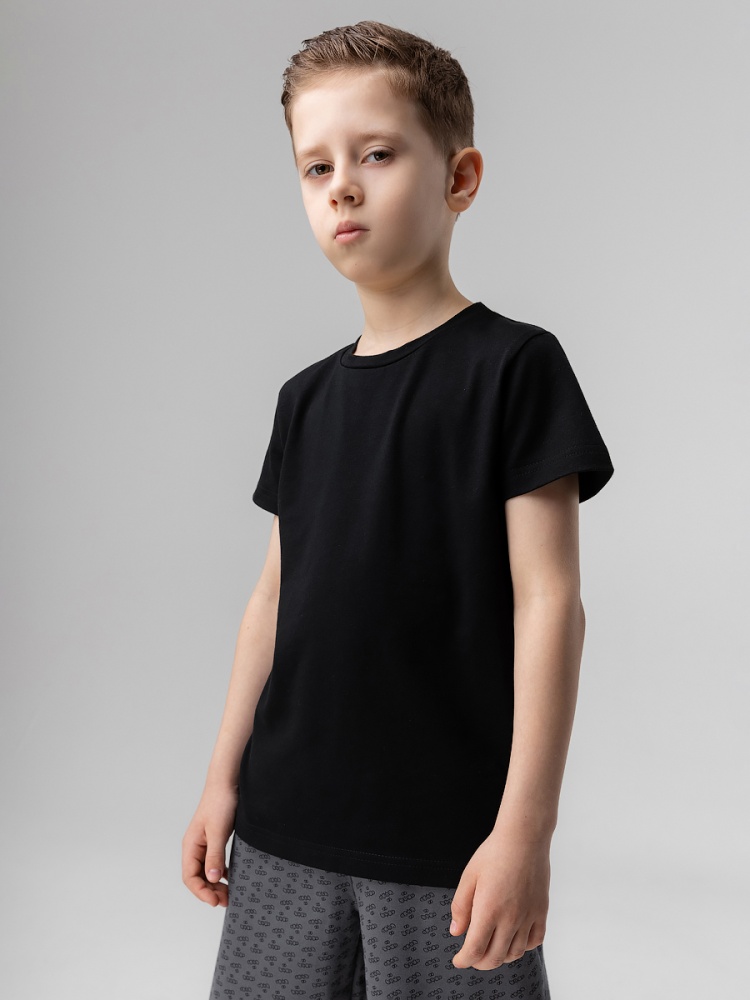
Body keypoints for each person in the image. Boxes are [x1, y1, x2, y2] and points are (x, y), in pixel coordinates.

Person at [182, 19, 614, 1000]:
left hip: (445, 842)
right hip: (284, 827)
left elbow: (550, 602)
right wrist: (221, 780)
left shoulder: (515, 368)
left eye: (376, 154)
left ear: (460, 178)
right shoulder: (304, 400)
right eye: (316, 166)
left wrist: (524, 829)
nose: (342, 185)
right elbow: (272, 601)